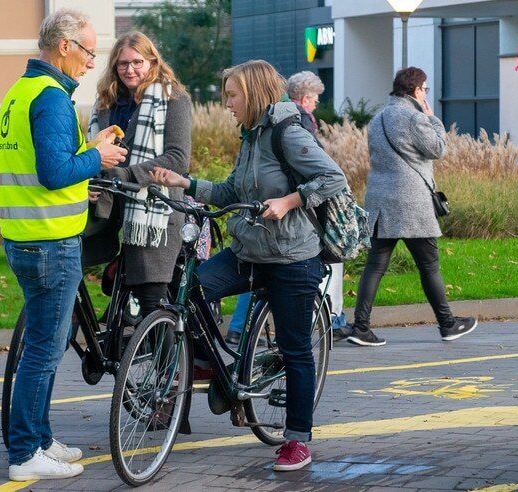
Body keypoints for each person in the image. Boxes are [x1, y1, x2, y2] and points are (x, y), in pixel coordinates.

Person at [152, 60, 348, 472]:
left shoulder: (288, 134)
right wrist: (184, 183)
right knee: (187, 291)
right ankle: (211, 363)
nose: (227, 103)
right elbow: (230, 191)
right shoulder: (251, 137)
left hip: (292, 257)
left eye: (232, 95)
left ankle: (297, 440)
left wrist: (289, 201)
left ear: (255, 94)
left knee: (295, 350)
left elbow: (333, 179)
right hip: (248, 251)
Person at [0, 9, 127, 481]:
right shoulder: (51, 99)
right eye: (89, 52)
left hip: (24, 238)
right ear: (65, 46)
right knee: (45, 352)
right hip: (50, 243)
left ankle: (41, 439)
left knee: (43, 347)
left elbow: (42, 171)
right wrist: (98, 157)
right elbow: (53, 173)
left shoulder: (21, 92)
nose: (93, 62)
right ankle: (27, 453)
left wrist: (83, 166)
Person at [346, 67, 477, 347]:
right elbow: (438, 149)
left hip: (380, 201)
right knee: (429, 266)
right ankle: (448, 324)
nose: (425, 93)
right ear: (416, 90)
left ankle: (361, 327)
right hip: (411, 203)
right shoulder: (414, 117)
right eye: (425, 89)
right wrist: (433, 120)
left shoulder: (378, 118)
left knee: (375, 267)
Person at [88, 31, 191, 318]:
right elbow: (94, 150)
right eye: (122, 64)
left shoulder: (172, 98)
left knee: (152, 300)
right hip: (110, 205)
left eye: (137, 62)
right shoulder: (106, 102)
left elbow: (177, 159)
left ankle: (168, 362)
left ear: (152, 62)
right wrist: (92, 180)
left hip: (154, 209)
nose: (129, 69)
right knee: (77, 272)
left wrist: (126, 174)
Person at [285, 71, 348, 333]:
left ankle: (239, 325)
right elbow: (323, 170)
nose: (316, 104)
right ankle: (330, 318)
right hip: (306, 200)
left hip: (292, 199)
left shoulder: (283, 116)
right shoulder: (303, 121)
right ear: (305, 98)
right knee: (326, 255)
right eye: (314, 98)